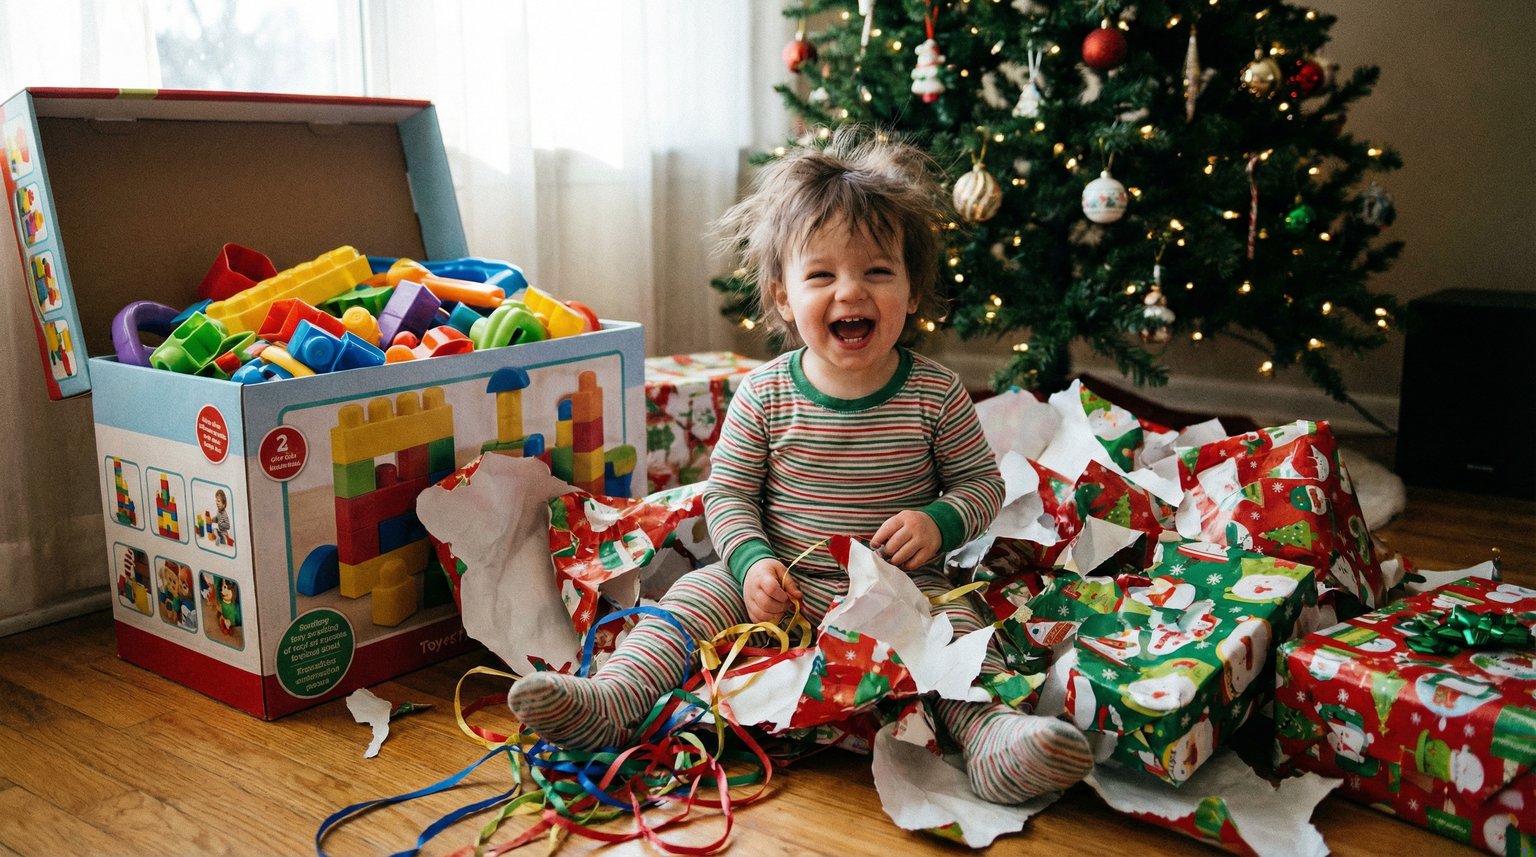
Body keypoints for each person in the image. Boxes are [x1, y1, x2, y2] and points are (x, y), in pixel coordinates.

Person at [511, 128, 1092, 804]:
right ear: (783, 296)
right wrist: (753, 562)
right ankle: (613, 699)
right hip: (777, 584)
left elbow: (981, 486)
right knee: (691, 598)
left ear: (912, 289)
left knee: (954, 630)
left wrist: (939, 521)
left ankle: (992, 736)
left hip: (898, 589)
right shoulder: (765, 394)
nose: (852, 292)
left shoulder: (936, 393)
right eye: (822, 274)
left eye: (878, 271)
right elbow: (727, 496)